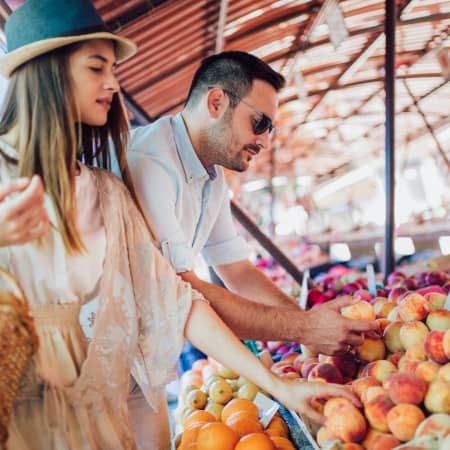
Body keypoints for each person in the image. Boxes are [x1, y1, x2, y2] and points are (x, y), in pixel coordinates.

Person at [0, 1, 360, 449]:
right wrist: (302, 330)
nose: (113, 83)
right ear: (46, 71)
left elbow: (176, 297)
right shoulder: (147, 163)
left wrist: (281, 379)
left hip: (107, 405)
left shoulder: (107, 192)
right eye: (97, 68)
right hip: (23, 416)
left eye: (113, 69)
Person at [126, 51, 380, 357]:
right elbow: (181, 289)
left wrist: (310, 324)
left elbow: (237, 270)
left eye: (270, 129)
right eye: (260, 123)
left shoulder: (211, 176)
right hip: (99, 356)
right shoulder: (151, 163)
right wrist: (306, 328)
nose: (265, 141)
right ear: (216, 103)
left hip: (142, 354)